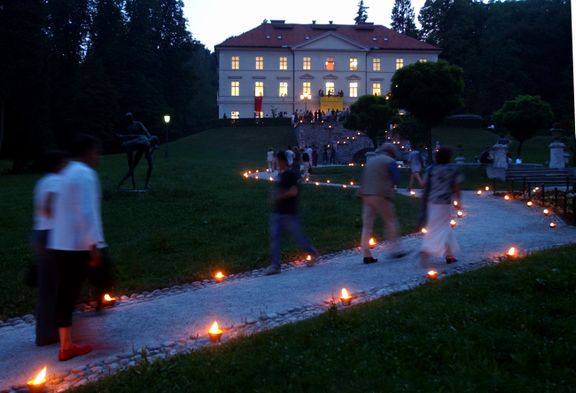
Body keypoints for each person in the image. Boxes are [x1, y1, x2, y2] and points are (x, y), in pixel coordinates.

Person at [47, 134, 106, 361]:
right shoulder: (85, 174)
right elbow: (87, 212)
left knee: (66, 293)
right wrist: (93, 244)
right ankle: (67, 345)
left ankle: (66, 342)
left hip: (60, 243)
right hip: (77, 245)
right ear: (88, 152)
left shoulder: (67, 172)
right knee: (71, 292)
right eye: (96, 152)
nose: (99, 156)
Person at [32, 150, 67, 346]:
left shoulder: (43, 181)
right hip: (51, 235)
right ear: (57, 165)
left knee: (46, 287)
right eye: (64, 163)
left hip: (39, 233)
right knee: (56, 285)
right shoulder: (55, 181)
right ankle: (54, 331)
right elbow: (48, 206)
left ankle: (44, 333)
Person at [265, 151, 319, 275]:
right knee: (275, 238)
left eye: (277, 160)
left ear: (282, 161)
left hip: (290, 213)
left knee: (298, 237)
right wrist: (274, 195)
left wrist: (279, 196)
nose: (275, 163)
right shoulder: (280, 175)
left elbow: (294, 192)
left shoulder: (291, 175)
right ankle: (275, 265)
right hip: (278, 212)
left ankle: (312, 252)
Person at [357, 143, 407, 264]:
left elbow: (363, 177)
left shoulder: (371, 161)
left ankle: (366, 254)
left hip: (366, 194)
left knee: (367, 225)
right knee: (390, 221)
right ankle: (394, 249)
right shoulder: (389, 161)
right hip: (381, 195)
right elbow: (396, 179)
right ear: (392, 152)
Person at [419, 147, 463, 267]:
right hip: (444, 202)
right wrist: (459, 201)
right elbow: (456, 187)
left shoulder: (431, 169)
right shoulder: (452, 169)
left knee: (443, 226)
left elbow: (424, 184)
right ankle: (425, 251)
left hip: (431, 202)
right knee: (439, 228)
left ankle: (449, 255)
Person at [117, 112, 159, 190]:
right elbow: (134, 137)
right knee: (133, 166)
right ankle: (123, 183)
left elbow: (145, 132)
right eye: (129, 118)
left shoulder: (139, 124)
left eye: (131, 117)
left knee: (149, 166)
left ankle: (145, 185)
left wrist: (150, 141)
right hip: (140, 144)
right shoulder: (130, 128)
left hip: (144, 143)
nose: (131, 119)